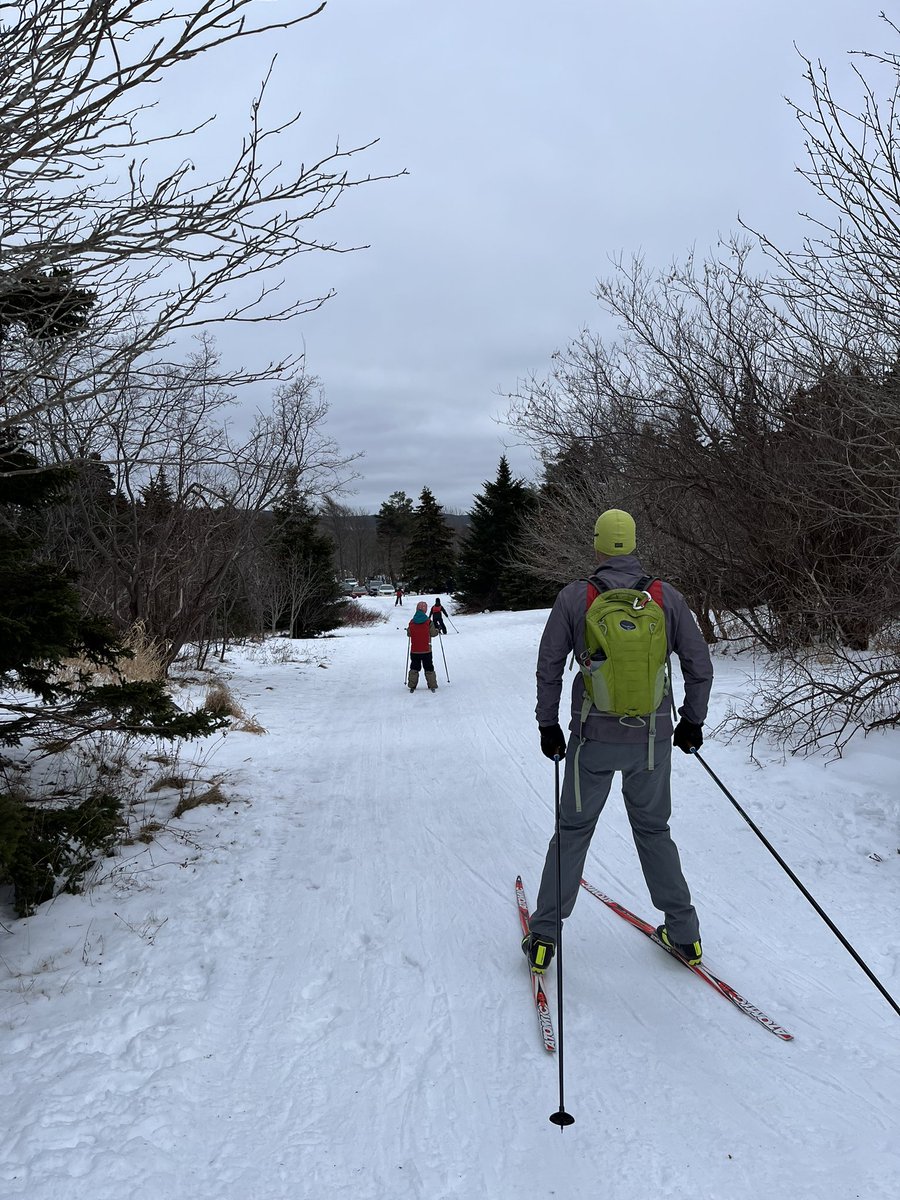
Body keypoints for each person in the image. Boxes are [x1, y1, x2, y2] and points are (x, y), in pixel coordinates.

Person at [523, 508, 713, 975]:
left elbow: (549, 667)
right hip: (652, 741)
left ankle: (545, 937)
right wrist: (690, 721)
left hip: (592, 742)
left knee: (572, 832)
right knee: (653, 831)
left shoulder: (575, 598)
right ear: (633, 544)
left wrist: (548, 726)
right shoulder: (665, 598)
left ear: (598, 545)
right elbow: (699, 665)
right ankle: (685, 935)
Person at [407, 600, 438, 692]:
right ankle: (432, 684)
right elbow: (433, 634)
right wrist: (437, 630)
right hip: (426, 649)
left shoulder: (412, 622)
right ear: (425, 610)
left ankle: (412, 685)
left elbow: (409, 634)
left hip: (415, 650)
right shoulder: (428, 622)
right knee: (429, 667)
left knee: (414, 667)